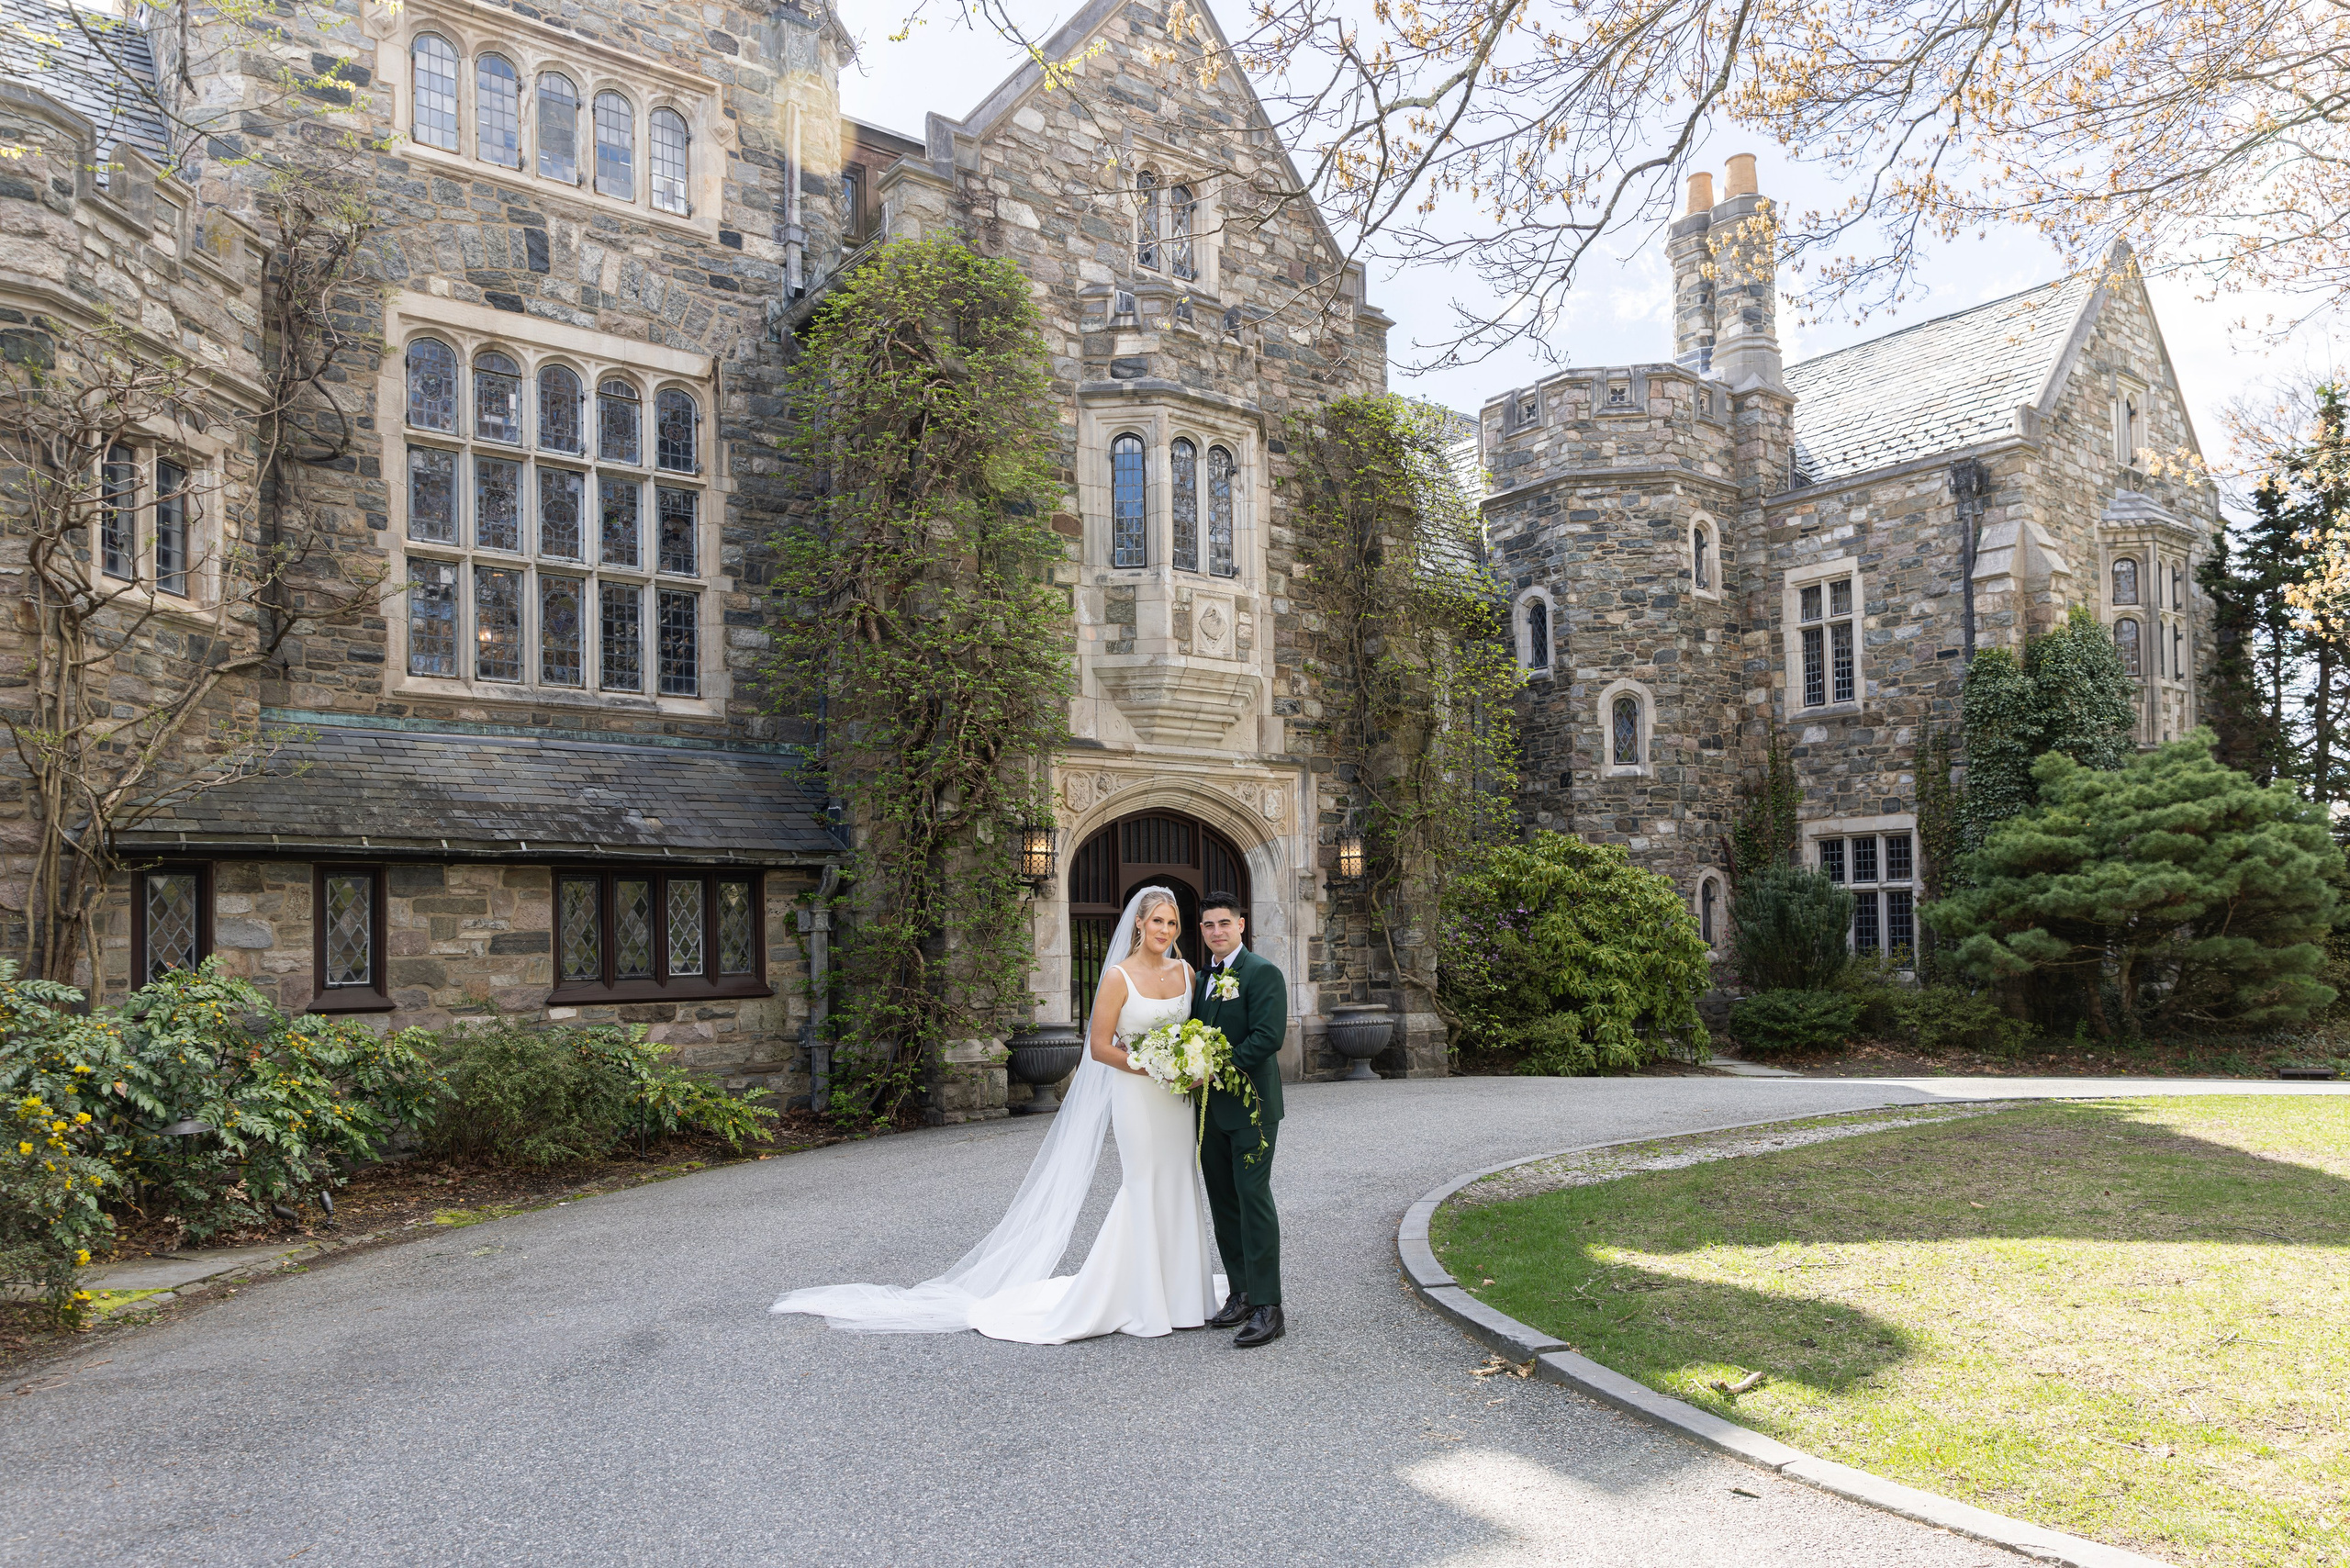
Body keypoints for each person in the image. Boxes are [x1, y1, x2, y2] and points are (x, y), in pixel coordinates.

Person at [770, 886, 1223, 1340]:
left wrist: (1189, 1064)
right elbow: (1100, 1046)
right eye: (1157, 921)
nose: (1164, 930)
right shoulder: (1118, 978)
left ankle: (1185, 1294)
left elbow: (1193, 1032)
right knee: (1144, 1184)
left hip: (1175, 1099)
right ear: (1140, 924)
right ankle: (1142, 1299)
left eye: (1172, 922)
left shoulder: (1186, 971)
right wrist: (1149, 1065)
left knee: (1181, 1179)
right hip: (1138, 1099)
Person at [1191, 890, 1288, 1347]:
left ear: (1242, 925)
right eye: (1209, 925)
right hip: (1209, 1111)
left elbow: (1267, 1038)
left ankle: (1270, 1306)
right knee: (1224, 1201)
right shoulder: (1202, 978)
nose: (1216, 932)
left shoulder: (1262, 973)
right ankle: (1241, 1292)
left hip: (1251, 1106)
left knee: (1253, 1199)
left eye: (1224, 923)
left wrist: (1213, 1068)